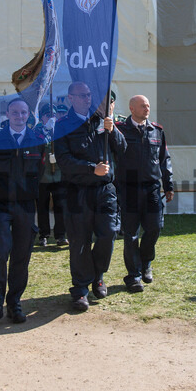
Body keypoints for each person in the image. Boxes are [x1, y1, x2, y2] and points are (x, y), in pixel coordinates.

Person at [54, 83, 125, 312]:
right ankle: (81, 289)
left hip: (105, 190)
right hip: (78, 190)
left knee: (109, 233)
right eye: (81, 96)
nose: (86, 99)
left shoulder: (101, 120)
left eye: (88, 95)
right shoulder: (63, 125)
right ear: (71, 98)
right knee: (79, 240)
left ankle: (98, 274)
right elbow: (63, 160)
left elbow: (122, 149)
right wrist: (90, 168)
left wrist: (112, 129)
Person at [0, 98, 45, 329]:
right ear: (7, 114)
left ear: (28, 115)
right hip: (1, 205)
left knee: (21, 256)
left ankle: (14, 303)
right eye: (15, 112)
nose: (19, 116)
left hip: (25, 206)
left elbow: (40, 171)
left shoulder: (37, 140)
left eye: (23, 112)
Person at [115, 95, 174, 292]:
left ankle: (146, 262)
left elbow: (164, 159)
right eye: (142, 106)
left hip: (151, 188)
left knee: (154, 228)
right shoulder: (120, 130)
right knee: (131, 234)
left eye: (148, 105)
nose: (146, 109)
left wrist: (169, 185)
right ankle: (133, 275)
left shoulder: (156, 130)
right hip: (129, 188)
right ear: (132, 108)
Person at [35, 102, 66, 247]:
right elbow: (35, 145)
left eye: (53, 115)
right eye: (48, 115)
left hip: (59, 174)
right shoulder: (38, 130)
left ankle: (60, 235)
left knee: (60, 205)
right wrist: (47, 131)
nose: (52, 118)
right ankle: (44, 235)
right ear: (42, 117)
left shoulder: (60, 129)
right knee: (42, 206)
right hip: (43, 175)